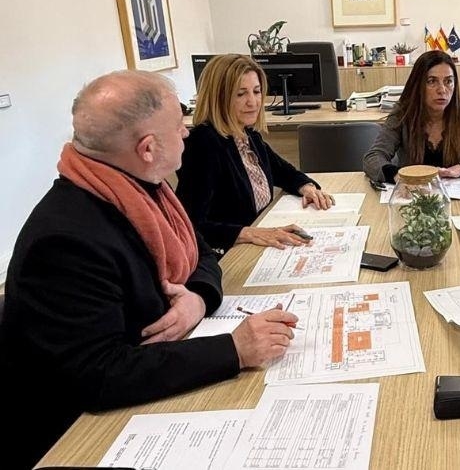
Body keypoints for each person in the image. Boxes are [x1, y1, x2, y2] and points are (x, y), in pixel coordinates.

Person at [0, 71, 299, 470]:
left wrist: (198, 298)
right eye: (179, 126)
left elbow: (202, 253)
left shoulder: (143, 188)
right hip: (80, 435)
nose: (187, 134)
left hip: (159, 376)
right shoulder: (64, 240)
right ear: (147, 147)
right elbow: (97, 374)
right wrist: (234, 349)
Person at [175, 53, 334, 252]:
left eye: (257, 91)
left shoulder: (247, 134)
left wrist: (307, 187)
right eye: (241, 94)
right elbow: (190, 225)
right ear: (218, 97)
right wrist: (251, 233)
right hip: (227, 255)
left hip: (256, 246)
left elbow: (282, 171)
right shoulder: (202, 144)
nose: (253, 102)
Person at [363, 50, 460, 183]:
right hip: (414, 197)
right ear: (418, 85)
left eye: (448, 81)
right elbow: (373, 158)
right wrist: (397, 176)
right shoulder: (403, 113)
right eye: (431, 81)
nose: (442, 90)